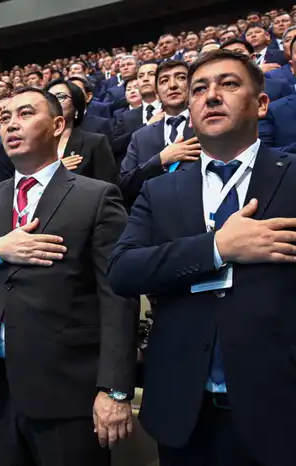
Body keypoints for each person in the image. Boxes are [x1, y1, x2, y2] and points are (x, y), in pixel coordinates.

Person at [108, 49, 296, 466]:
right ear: (190, 113)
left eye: (228, 84)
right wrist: (217, 248)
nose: (211, 96)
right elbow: (122, 271)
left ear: (262, 103)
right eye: (199, 89)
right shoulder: (159, 190)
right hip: (183, 414)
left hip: (281, 408)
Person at [0, 87, 137, 466]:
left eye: (25, 114)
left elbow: (117, 295)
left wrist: (115, 389)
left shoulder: (96, 196)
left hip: (67, 389)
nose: (11, 124)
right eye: (5, 117)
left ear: (58, 125)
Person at [118, 60, 198, 206]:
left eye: (181, 77)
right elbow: (124, 186)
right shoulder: (140, 137)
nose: (172, 85)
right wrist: (159, 160)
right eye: (164, 81)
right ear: (157, 94)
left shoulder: (207, 125)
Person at [46, 78, 118, 182]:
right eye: (49, 98)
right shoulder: (33, 144)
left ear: (76, 106)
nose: (54, 102)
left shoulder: (94, 143)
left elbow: (108, 186)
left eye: (61, 97)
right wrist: (54, 170)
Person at [221, 38, 295, 102]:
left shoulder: (279, 86)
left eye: (238, 52)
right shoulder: (218, 93)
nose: (232, 57)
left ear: (253, 58)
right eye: (226, 55)